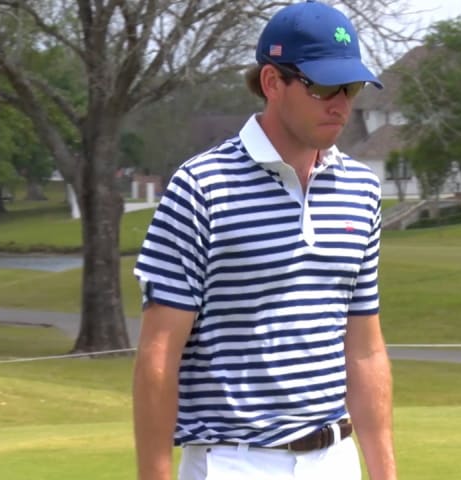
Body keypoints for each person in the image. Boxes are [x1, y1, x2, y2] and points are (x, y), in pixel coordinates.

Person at [131, 1, 396, 479]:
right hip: (235, 461)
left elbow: (364, 350)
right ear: (273, 83)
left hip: (336, 459)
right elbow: (158, 354)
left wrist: (385, 473)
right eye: (322, 86)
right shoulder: (202, 187)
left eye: (351, 87)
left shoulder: (362, 190)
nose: (340, 102)